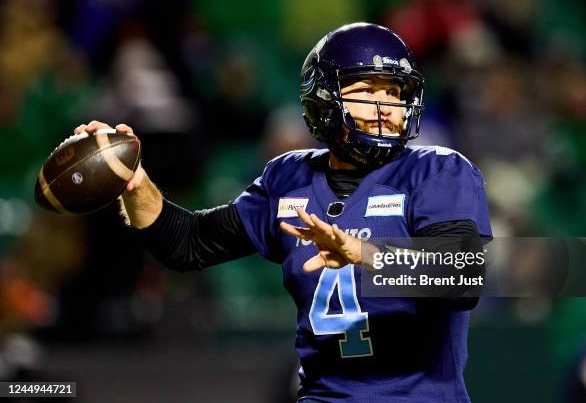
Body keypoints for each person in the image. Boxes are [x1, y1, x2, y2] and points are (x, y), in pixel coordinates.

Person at [75, 22, 492, 403]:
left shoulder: (437, 170)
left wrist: (363, 253)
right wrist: (135, 184)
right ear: (325, 99)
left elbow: (462, 276)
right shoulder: (289, 178)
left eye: (394, 92)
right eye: (368, 90)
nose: (386, 106)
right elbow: (187, 244)